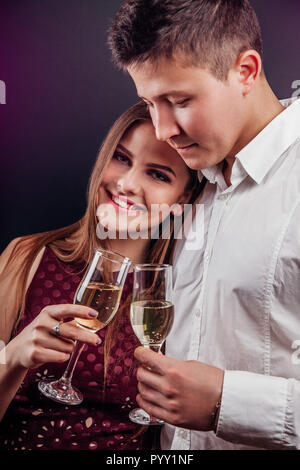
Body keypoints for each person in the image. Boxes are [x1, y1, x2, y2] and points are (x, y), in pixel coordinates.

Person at [108, 0, 300, 450]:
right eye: (149, 103)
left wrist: (225, 402)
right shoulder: (193, 184)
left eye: (178, 101)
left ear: (246, 71)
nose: (162, 129)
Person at [0, 101, 202, 450]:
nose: (125, 183)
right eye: (122, 158)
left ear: (181, 199)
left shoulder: (178, 294)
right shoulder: (27, 256)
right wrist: (13, 357)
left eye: (157, 174)